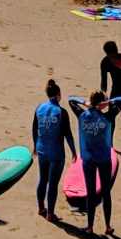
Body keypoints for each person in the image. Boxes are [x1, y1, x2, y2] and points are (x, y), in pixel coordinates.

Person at [67, 91, 118, 234]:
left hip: (88, 159)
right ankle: (108, 226)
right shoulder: (108, 116)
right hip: (103, 159)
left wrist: (84, 103)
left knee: (91, 192)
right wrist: (108, 103)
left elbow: (71, 99)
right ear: (101, 103)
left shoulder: (82, 115)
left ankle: (90, 227)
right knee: (106, 192)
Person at [31, 79, 75, 220]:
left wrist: (35, 146)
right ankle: (50, 213)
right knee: (53, 184)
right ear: (58, 94)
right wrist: (74, 152)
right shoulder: (61, 112)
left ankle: (40, 208)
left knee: (43, 179)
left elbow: (34, 129)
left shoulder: (39, 108)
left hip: (42, 149)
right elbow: (68, 134)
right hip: (56, 153)